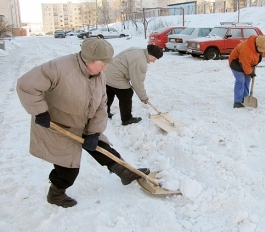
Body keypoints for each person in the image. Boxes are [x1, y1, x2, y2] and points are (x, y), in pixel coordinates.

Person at [16, 38, 150, 208]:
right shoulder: (59, 68)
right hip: (57, 125)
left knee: (101, 147)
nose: (105, 68)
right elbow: (26, 85)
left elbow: (101, 106)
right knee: (68, 169)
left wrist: (94, 132)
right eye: (102, 64)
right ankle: (56, 194)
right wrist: (40, 111)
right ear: (89, 60)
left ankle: (125, 173)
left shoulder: (99, 75)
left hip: (83, 121)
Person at [105, 45, 163, 125]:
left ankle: (104, 113)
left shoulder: (137, 50)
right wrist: (143, 98)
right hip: (116, 75)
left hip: (107, 71)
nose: (154, 61)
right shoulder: (141, 61)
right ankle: (126, 119)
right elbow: (137, 82)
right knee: (127, 93)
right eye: (155, 59)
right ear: (151, 55)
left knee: (110, 92)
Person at [228, 35, 265, 108]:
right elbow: (244, 64)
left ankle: (245, 98)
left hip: (247, 64)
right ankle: (237, 102)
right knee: (241, 81)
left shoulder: (259, 42)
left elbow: (257, 55)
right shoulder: (246, 50)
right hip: (236, 62)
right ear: (258, 47)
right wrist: (250, 73)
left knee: (247, 81)